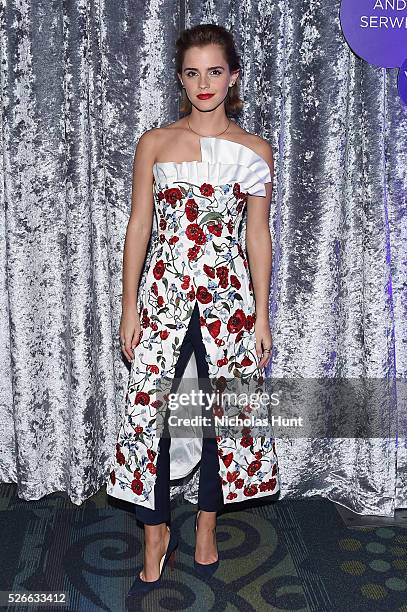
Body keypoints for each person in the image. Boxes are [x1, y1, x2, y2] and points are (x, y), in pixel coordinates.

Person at [106, 23, 280, 595]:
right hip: (164, 292)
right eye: (191, 72)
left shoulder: (255, 151)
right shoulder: (154, 143)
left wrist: (262, 313)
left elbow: (257, 235)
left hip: (229, 297)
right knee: (149, 417)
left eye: (214, 71)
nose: (203, 83)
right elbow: (140, 226)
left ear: (233, 77)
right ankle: (154, 530)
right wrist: (129, 307)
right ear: (180, 78)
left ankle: (207, 524)